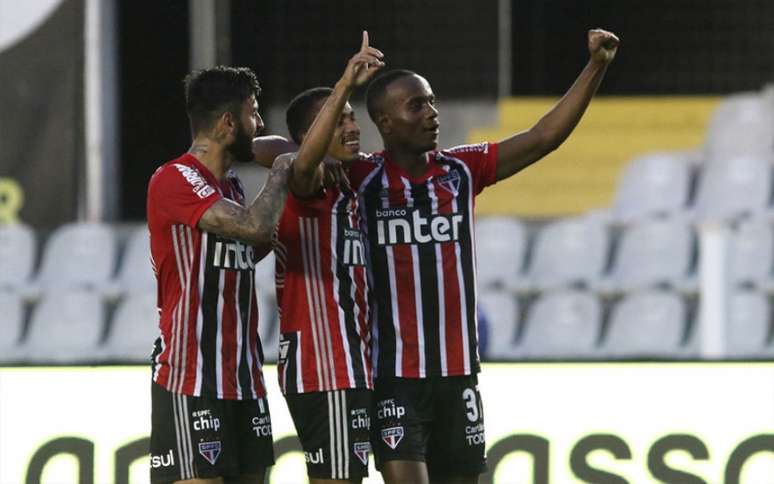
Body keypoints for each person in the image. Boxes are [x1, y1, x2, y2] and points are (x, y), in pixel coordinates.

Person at [348, 29, 620, 483]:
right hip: (395, 379)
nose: (432, 113)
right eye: (417, 105)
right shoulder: (360, 178)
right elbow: (290, 159)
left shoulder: (459, 170)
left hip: (460, 378)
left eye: (432, 101)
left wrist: (597, 65)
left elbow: (542, 137)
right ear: (385, 123)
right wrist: (343, 88)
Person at [146, 65, 291, 484]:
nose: (259, 124)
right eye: (254, 113)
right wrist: (284, 167)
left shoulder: (231, 189)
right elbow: (254, 228)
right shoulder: (175, 177)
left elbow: (247, 251)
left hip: (244, 379)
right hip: (192, 378)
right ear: (229, 122)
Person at [263, 32, 385, 483]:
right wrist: (343, 85)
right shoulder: (304, 185)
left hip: (348, 365)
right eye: (339, 121)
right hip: (324, 364)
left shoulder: (346, 186)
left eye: (353, 119)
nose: (351, 127)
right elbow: (276, 154)